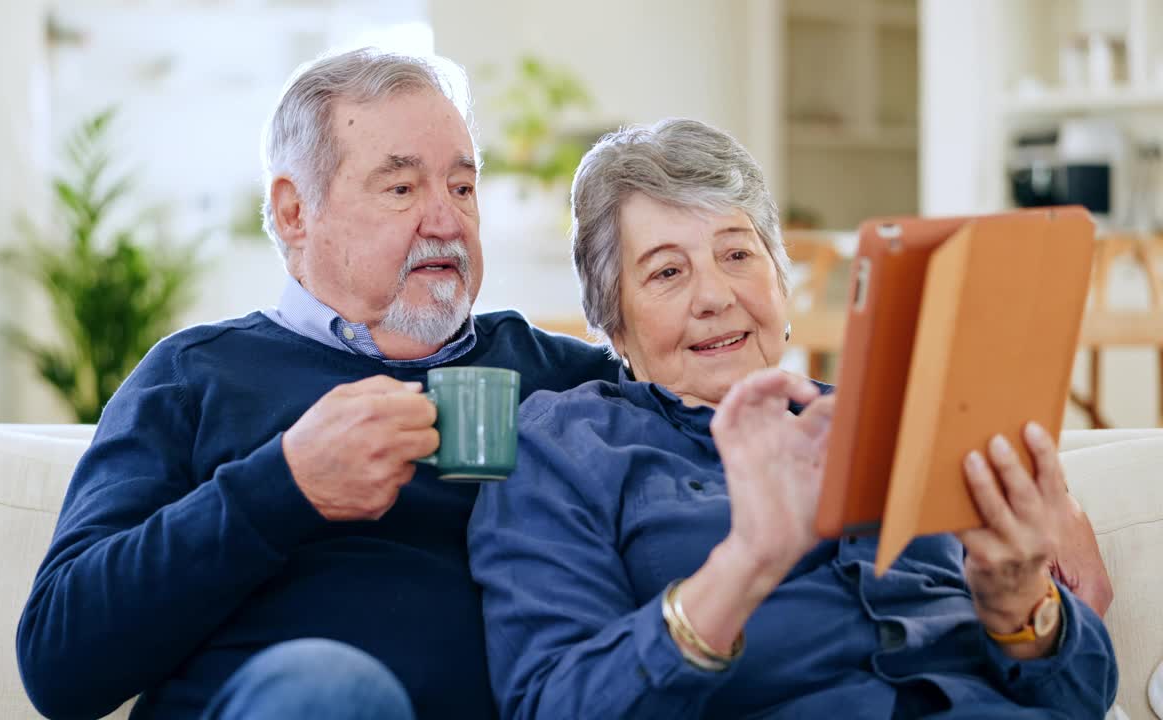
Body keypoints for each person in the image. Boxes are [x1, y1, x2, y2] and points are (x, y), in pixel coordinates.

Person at [14, 49, 618, 720]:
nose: (447, 221)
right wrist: (282, 487)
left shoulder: (558, 376)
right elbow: (58, 665)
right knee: (330, 689)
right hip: (289, 702)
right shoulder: (194, 377)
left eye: (462, 187)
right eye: (402, 188)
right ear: (295, 211)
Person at [468, 118, 1118, 719]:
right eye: (667, 272)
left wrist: (1021, 606)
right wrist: (744, 566)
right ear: (614, 322)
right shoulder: (562, 447)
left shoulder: (900, 422)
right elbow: (553, 703)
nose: (716, 297)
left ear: (781, 281)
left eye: (738, 255)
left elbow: (1086, 693)